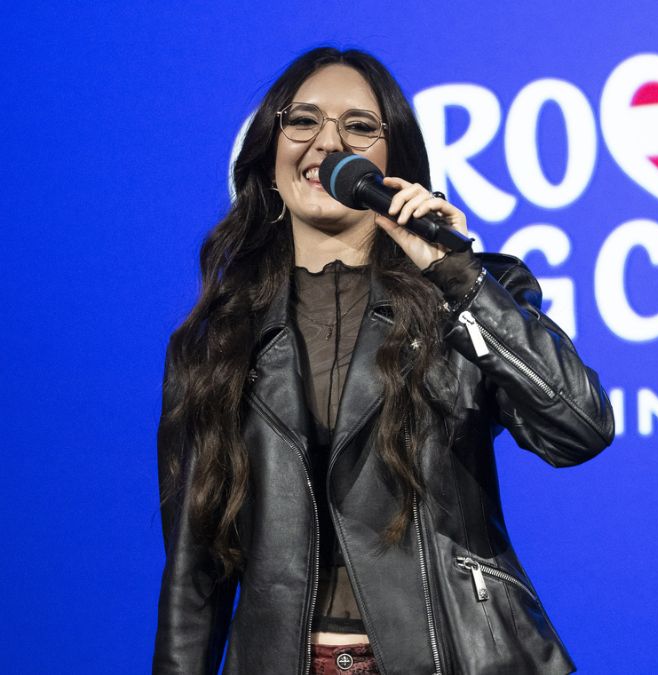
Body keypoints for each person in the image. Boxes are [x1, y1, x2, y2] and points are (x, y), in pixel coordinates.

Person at [153, 46, 614, 675]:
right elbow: (195, 568)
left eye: (360, 127)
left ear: (394, 164)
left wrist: (455, 276)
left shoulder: (468, 294)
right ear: (269, 156)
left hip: (456, 657)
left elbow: (580, 429)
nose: (327, 143)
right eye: (303, 121)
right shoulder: (219, 339)